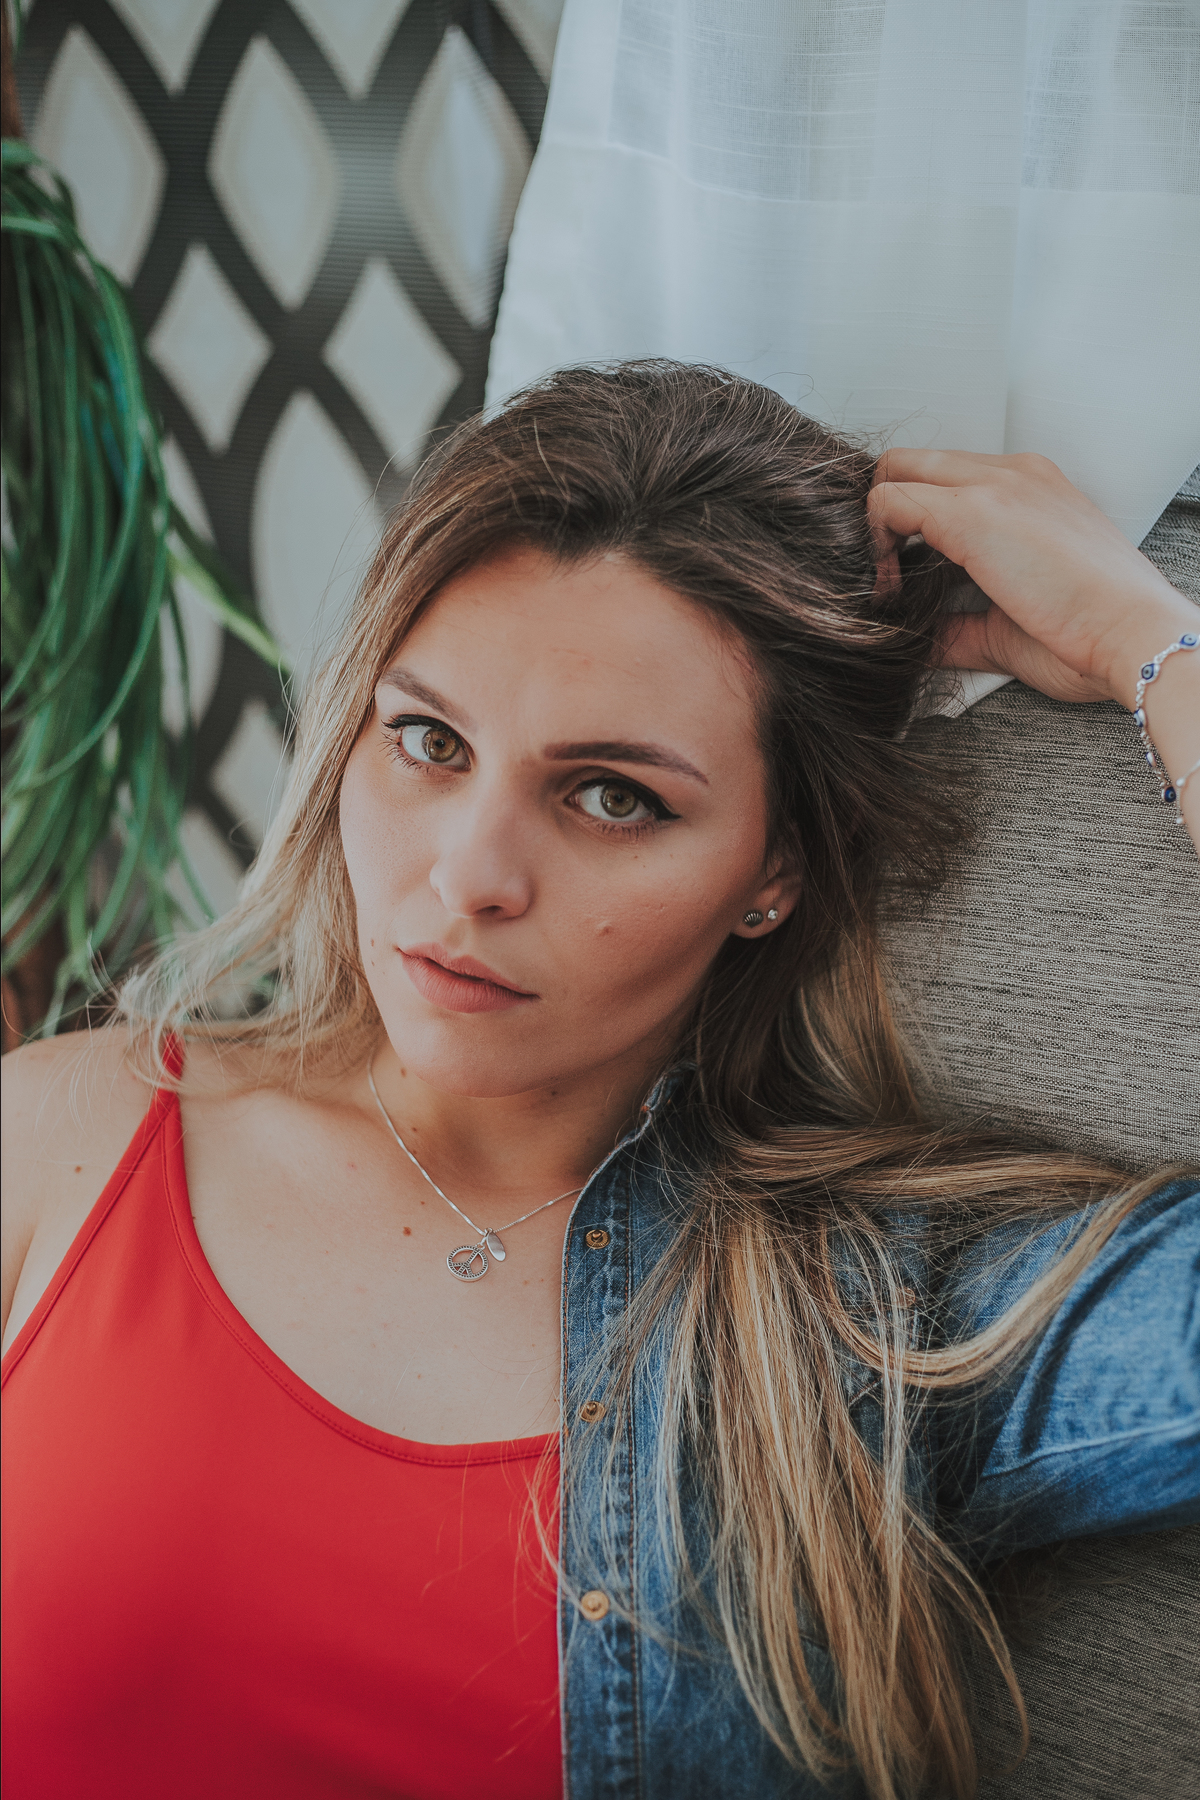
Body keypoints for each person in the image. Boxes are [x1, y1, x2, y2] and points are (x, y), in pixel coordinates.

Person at [2, 362, 1197, 1800]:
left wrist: (1151, 646)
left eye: (612, 796)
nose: (470, 876)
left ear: (774, 871)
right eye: (429, 741)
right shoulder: (60, 1140)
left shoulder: (879, 1323)